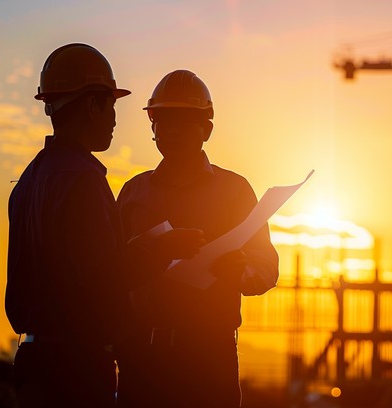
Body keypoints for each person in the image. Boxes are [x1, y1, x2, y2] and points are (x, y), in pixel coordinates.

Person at [6, 44, 204, 408]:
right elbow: (104, 276)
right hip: (75, 369)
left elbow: (70, 268)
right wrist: (163, 247)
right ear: (92, 105)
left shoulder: (30, 180)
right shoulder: (83, 180)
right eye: (111, 105)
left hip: (35, 365)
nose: (115, 119)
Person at [115, 70, 279, 408]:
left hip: (209, 361)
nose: (172, 131)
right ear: (153, 128)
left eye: (184, 121)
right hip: (143, 360)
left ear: (206, 129)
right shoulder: (134, 193)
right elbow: (111, 271)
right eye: (164, 121)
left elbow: (266, 266)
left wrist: (241, 272)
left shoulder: (234, 192)